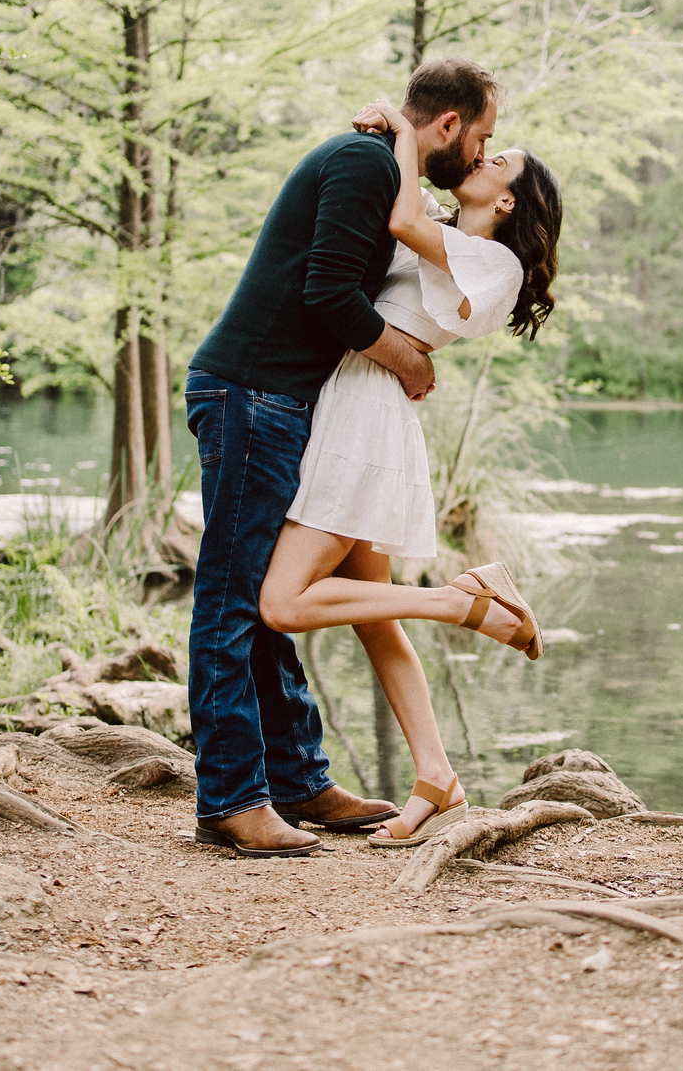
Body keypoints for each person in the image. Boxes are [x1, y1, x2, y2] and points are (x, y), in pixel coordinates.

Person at [183, 56, 501, 859]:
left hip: (284, 401)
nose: (483, 151)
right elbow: (328, 293)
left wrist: (394, 128)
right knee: (231, 600)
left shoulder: (386, 169)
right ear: (451, 124)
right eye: (484, 136)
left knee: (263, 601)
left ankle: (296, 779)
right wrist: (408, 360)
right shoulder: (364, 163)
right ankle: (231, 797)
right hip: (250, 390)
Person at [257, 95, 563, 849]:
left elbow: (399, 219)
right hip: (357, 403)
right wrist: (387, 134)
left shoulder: (494, 263)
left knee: (283, 604)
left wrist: (400, 127)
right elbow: (392, 217)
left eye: (497, 158)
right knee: (373, 617)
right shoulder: (451, 235)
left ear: (508, 200)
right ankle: (436, 776)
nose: (482, 155)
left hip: (366, 419)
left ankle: (460, 602)